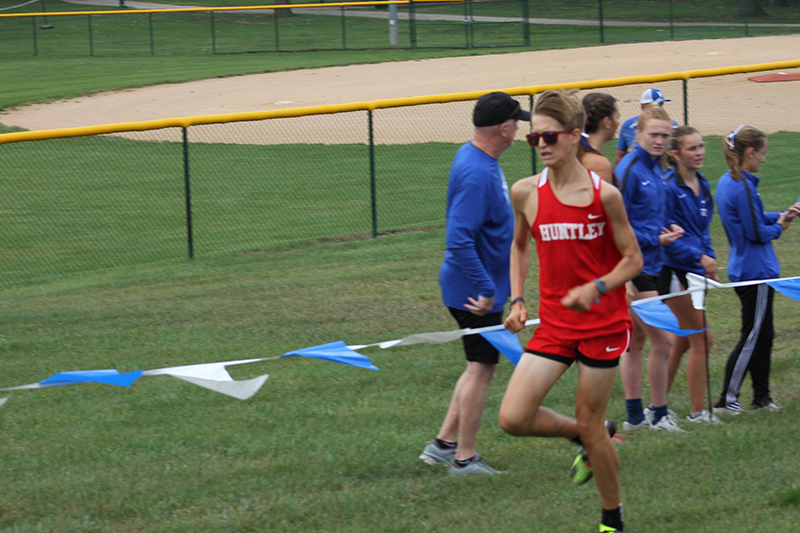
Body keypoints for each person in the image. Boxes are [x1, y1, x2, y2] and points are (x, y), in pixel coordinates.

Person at [499, 89, 642, 533]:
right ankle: (577, 437)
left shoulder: (604, 196)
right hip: (557, 327)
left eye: (550, 136)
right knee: (513, 418)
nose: (541, 144)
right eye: (533, 138)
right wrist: (517, 298)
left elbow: (633, 260)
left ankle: (612, 520)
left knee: (593, 423)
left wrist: (597, 287)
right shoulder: (525, 193)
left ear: (574, 135)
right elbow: (520, 247)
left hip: (602, 325)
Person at [419, 91, 530, 475]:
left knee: (477, 364)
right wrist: (485, 289)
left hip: (476, 287)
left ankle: (443, 445)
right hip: (472, 292)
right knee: (482, 367)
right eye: (516, 122)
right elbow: (459, 239)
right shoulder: (477, 171)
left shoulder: (480, 158)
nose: (518, 128)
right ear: (503, 127)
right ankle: (464, 458)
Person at [713, 125, 800, 415]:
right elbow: (756, 232)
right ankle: (727, 399)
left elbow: (753, 217)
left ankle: (761, 398)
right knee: (752, 337)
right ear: (750, 152)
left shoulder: (729, 180)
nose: (764, 159)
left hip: (747, 269)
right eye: (762, 154)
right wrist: (781, 226)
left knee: (764, 335)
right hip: (756, 273)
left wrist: (780, 215)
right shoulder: (743, 186)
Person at [614, 106, 685, 432]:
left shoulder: (658, 168)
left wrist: (667, 226)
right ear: (638, 133)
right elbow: (617, 224)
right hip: (635, 265)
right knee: (665, 340)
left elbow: (652, 212)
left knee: (637, 341)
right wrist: (653, 237)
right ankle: (658, 415)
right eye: (654, 134)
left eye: (665, 135)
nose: (659, 140)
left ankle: (634, 417)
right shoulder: (628, 169)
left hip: (656, 261)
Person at [659, 126, 719, 424]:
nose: (699, 153)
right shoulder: (669, 189)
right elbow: (671, 239)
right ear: (676, 154)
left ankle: (657, 407)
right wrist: (699, 258)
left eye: (701, 146)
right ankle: (698, 412)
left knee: (684, 340)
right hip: (673, 271)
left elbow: (703, 231)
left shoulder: (704, 184)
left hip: (695, 270)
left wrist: (710, 261)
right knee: (701, 340)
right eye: (692, 148)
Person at [614, 88, 678, 166]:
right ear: (644, 106)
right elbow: (620, 155)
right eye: (657, 105)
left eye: (661, 105)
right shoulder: (629, 125)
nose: (660, 108)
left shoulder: (672, 125)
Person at [578, 92, 621, 183]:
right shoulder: (599, 165)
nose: (618, 123)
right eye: (617, 117)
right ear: (607, 122)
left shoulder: (574, 149)